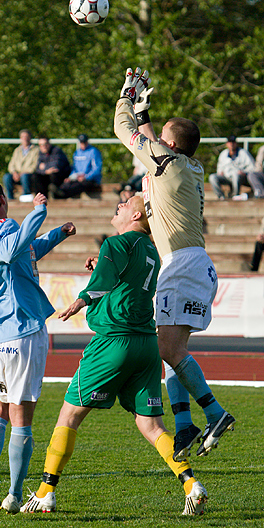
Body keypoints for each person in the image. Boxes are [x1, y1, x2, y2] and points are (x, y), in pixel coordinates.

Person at [21, 195, 208, 517]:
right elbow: (121, 278)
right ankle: (191, 483)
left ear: (136, 214)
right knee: (151, 426)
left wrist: (79, 301)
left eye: (124, 203)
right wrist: (102, 266)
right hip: (146, 344)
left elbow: (104, 282)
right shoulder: (149, 248)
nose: (118, 205)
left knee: (69, 418)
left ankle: (45, 493)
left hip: (113, 343)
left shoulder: (116, 244)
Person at [114, 67, 235, 463]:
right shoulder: (185, 165)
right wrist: (148, 119)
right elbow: (154, 142)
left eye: (162, 134)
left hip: (181, 264)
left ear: (170, 144)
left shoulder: (167, 162)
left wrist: (127, 98)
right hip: (190, 262)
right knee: (169, 348)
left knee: (167, 347)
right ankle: (184, 424)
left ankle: (214, 412)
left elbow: (122, 130)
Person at [0, 175, 76, 514]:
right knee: (21, 415)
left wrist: (55, 235)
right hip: (21, 329)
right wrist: (38, 211)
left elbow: (23, 251)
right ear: (1, 200)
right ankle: (14, 494)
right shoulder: (5, 229)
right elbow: (14, 247)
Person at [49, 134, 102, 199]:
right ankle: (58, 193)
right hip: (77, 178)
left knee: (80, 185)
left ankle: (63, 194)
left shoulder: (93, 151)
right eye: (81, 142)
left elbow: (97, 169)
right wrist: (70, 177)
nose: (83, 144)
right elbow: (74, 168)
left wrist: (86, 177)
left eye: (84, 142)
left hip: (90, 179)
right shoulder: (77, 153)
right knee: (67, 183)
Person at [208, 136, 256, 200]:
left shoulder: (243, 153)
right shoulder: (223, 154)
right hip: (226, 177)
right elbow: (219, 167)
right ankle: (221, 197)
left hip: (240, 177)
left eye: (233, 142)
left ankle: (235, 196)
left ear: (236, 143)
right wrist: (220, 172)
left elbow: (252, 167)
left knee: (235, 175)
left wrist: (244, 172)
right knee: (212, 177)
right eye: (229, 142)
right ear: (227, 144)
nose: (231, 144)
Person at [3, 129, 39, 202]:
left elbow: (35, 165)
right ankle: (10, 198)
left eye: (26, 136)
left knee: (24, 177)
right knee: (6, 177)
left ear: (30, 138)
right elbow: (11, 164)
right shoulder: (17, 150)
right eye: (23, 137)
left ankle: (26, 197)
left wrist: (23, 173)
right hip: (17, 174)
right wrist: (14, 172)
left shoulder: (36, 150)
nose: (25, 138)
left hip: (28, 175)